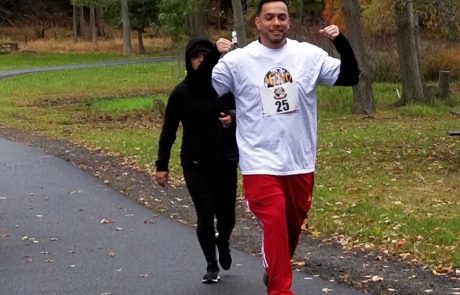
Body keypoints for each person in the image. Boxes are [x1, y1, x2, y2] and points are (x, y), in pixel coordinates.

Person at [211, 0, 359, 294]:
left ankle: (274, 266)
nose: (276, 22)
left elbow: (350, 76)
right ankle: (280, 289)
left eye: (281, 17)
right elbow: (205, 91)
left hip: (300, 161)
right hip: (259, 162)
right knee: (275, 222)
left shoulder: (308, 55)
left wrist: (340, 41)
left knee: (290, 230)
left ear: (288, 22)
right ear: (258, 23)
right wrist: (212, 53)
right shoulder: (239, 60)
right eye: (269, 17)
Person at [155, 37, 238, 284]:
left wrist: (232, 117)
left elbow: (248, 111)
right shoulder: (181, 92)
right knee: (205, 213)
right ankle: (211, 264)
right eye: (195, 57)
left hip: (224, 160)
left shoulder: (224, 88)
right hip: (195, 162)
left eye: (205, 56)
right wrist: (162, 165)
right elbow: (168, 130)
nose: (200, 61)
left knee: (227, 217)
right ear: (188, 61)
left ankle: (222, 240)